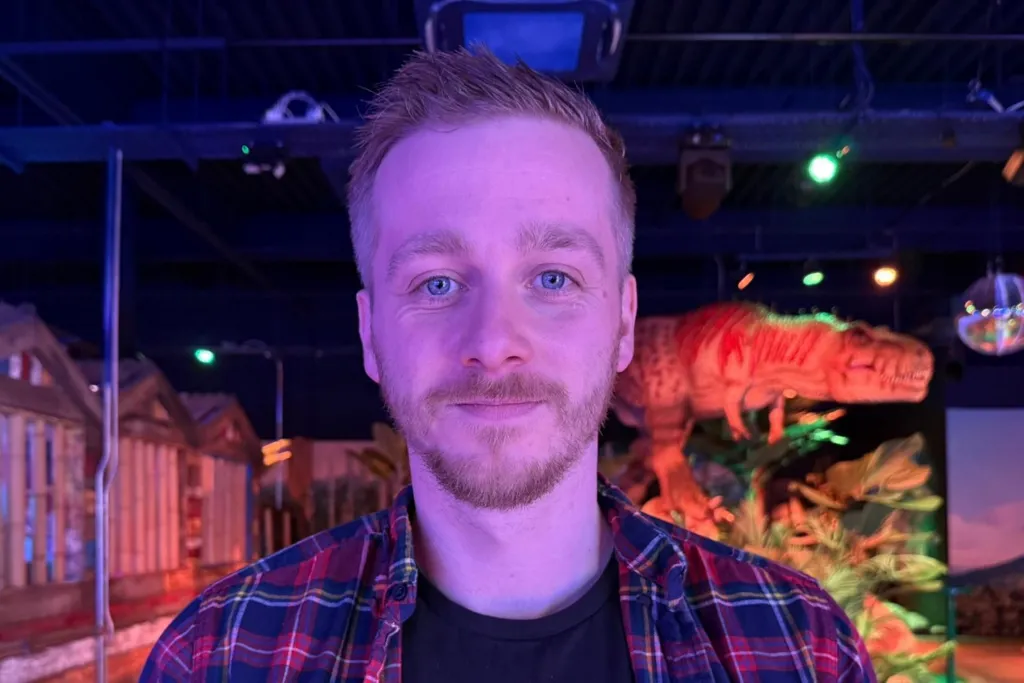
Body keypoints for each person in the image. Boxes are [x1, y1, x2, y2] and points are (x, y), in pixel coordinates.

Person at [142, 48, 875, 682]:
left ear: (623, 323)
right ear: (369, 332)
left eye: (553, 278)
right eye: (436, 283)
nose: (494, 342)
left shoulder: (797, 645)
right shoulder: (223, 652)